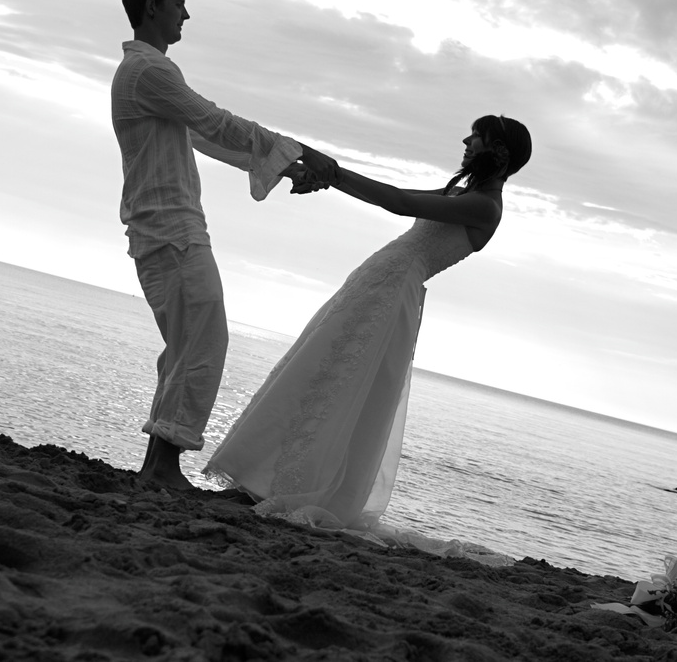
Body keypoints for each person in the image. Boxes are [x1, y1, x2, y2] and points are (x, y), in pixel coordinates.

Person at [204, 114, 532, 536]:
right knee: (316, 372)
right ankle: (263, 480)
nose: (467, 140)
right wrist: (330, 178)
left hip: (393, 291)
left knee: (336, 383)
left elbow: (396, 200)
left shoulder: (484, 206)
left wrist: (332, 171)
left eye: (478, 137)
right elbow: (395, 196)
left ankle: (287, 487)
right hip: (378, 280)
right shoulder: (462, 192)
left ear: (500, 153)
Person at [112, 0, 338, 491]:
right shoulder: (149, 73)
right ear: (152, 8)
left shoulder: (150, 74)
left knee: (188, 344)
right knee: (204, 340)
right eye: (178, 4)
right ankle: (163, 467)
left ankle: (156, 468)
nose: (186, 14)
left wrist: (287, 167)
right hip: (169, 229)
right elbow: (216, 121)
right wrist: (301, 150)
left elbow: (205, 137)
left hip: (169, 226)